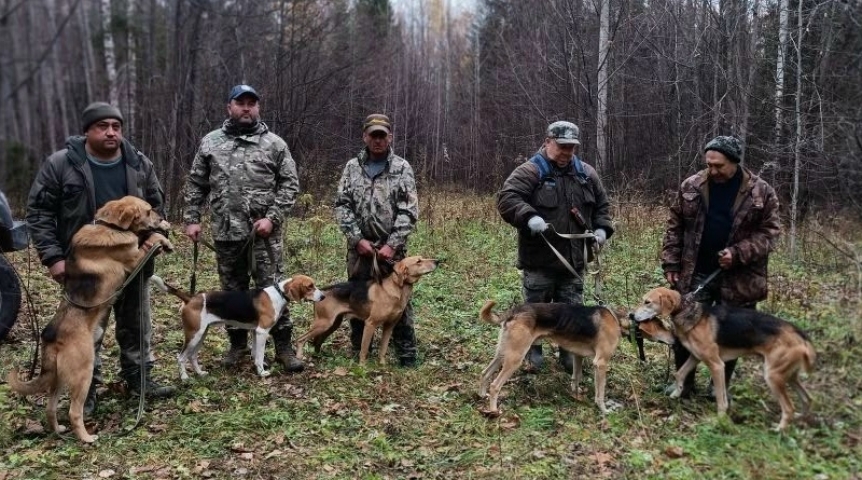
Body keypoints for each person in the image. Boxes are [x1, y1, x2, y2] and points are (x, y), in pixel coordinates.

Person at [26, 102, 175, 416]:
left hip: (133, 264)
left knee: (137, 324)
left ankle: (139, 380)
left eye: (116, 126)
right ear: (87, 131)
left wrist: (153, 237)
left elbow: (155, 209)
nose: (111, 132)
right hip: (88, 269)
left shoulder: (138, 163)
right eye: (102, 126)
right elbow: (39, 214)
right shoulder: (61, 164)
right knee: (86, 330)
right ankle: (87, 390)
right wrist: (53, 258)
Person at [183, 84, 304, 373]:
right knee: (231, 294)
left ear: (258, 108)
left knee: (276, 292)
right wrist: (192, 218)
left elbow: (290, 184)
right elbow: (196, 184)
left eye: (252, 103)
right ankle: (237, 346)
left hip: (264, 237)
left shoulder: (275, 144)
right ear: (230, 107)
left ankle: (283, 347)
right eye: (240, 103)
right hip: (226, 234)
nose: (246, 108)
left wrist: (272, 218)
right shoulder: (210, 142)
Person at [661, 135, 781, 398]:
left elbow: (770, 233)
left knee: (731, 333)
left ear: (734, 163)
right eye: (709, 164)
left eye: (719, 165)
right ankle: (683, 384)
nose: (713, 170)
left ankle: (719, 387)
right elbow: (675, 226)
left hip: (740, 277)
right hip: (696, 272)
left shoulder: (761, 192)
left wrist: (738, 253)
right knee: (685, 326)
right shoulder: (692, 185)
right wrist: (671, 261)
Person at [497, 121, 614, 372]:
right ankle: (532, 355)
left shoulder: (586, 173)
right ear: (548, 141)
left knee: (572, 315)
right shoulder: (530, 171)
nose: (567, 152)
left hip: (574, 262)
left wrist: (603, 229)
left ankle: (569, 355)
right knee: (535, 314)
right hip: (540, 261)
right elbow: (507, 198)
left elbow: (603, 206)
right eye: (562, 146)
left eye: (571, 147)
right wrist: (529, 216)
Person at [333, 113, 420, 367]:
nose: (378, 140)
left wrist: (392, 244)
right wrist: (356, 238)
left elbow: (409, 210)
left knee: (399, 301)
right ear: (365, 137)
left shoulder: (402, 168)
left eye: (383, 135)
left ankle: (406, 353)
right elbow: (342, 205)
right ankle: (360, 349)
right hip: (360, 250)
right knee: (358, 299)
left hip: (392, 251)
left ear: (390, 136)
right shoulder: (352, 167)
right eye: (374, 135)